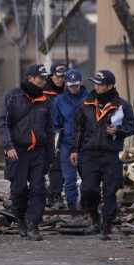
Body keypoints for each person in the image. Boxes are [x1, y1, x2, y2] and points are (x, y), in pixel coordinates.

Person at [70, 70, 134, 240]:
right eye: (95, 83)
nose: (96, 86)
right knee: (88, 190)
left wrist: (119, 131)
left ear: (110, 86)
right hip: (88, 155)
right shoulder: (86, 104)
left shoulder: (122, 105)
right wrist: (74, 150)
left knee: (110, 192)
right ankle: (95, 219)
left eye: (100, 84)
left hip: (110, 155)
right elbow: (78, 129)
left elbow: (132, 126)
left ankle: (107, 226)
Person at [0, 64, 54, 241]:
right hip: (17, 151)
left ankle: (33, 225)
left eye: (45, 78)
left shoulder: (46, 101)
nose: (44, 81)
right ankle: (20, 219)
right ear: (30, 78)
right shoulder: (13, 96)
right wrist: (8, 146)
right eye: (41, 78)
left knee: (39, 189)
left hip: (39, 152)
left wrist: (50, 155)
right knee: (19, 190)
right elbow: (3, 123)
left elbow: (50, 130)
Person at [51, 69, 88, 211]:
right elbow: (55, 123)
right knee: (69, 179)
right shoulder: (59, 101)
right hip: (66, 144)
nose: (74, 88)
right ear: (66, 84)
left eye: (76, 85)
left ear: (81, 83)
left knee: (88, 178)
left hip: (85, 144)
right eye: (71, 85)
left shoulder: (90, 99)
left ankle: (86, 206)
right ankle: (73, 208)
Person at [44, 63, 68, 208]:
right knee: (40, 167)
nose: (61, 80)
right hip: (44, 133)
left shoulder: (68, 91)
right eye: (58, 77)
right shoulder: (42, 92)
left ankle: (56, 194)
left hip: (62, 133)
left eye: (63, 77)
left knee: (58, 165)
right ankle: (43, 194)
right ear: (52, 75)